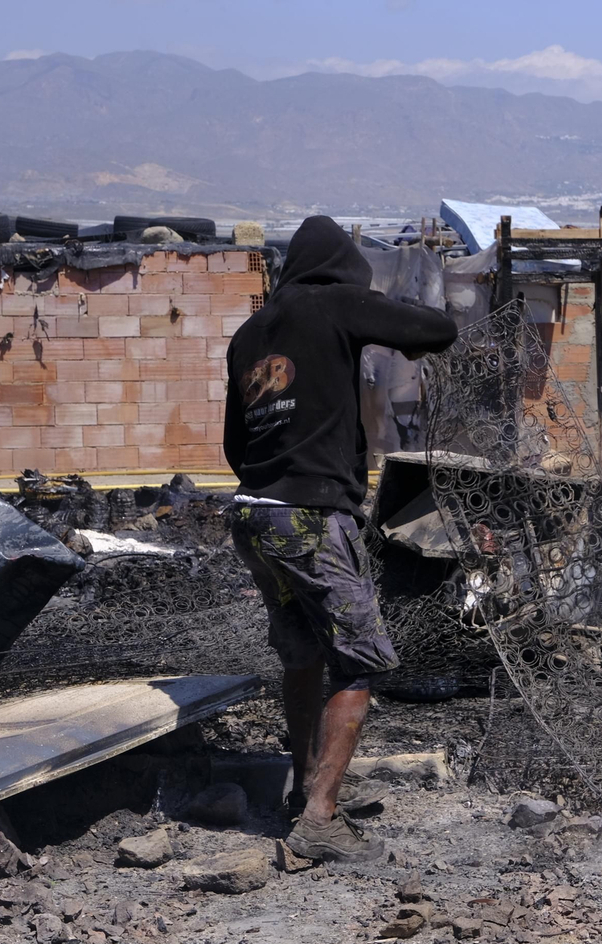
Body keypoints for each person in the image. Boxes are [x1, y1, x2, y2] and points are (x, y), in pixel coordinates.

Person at [224, 215, 459, 863]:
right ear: (343, 267)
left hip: (252, 514)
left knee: (303, 654)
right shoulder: (334, 302)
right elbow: (434, 330)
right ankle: (321, 819)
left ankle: (304, 786)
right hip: (311, 515)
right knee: (358, 661)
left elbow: (233, 445)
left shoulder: (249, 334)